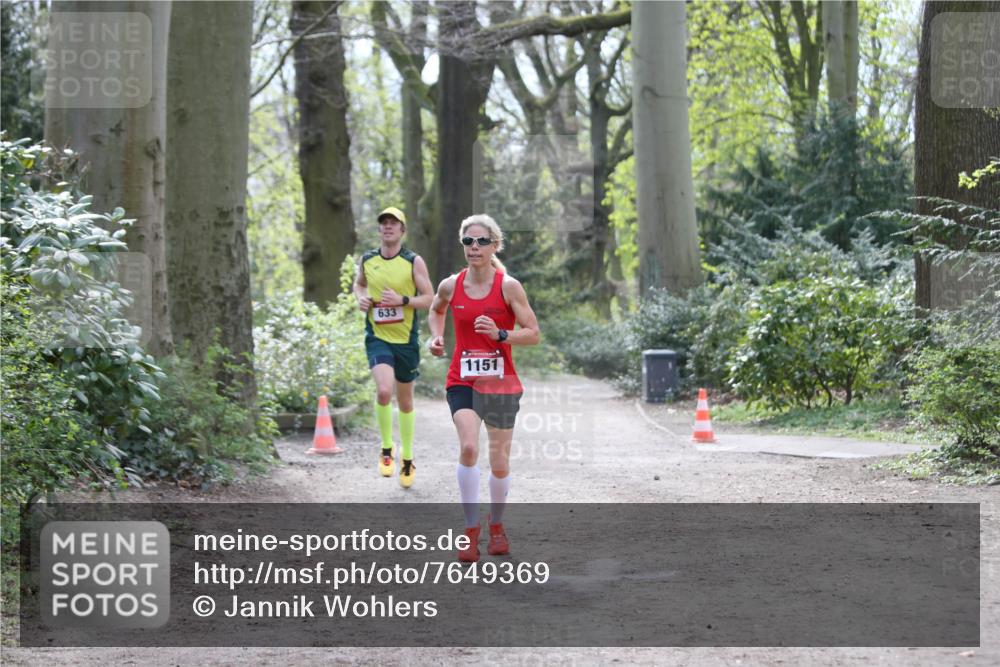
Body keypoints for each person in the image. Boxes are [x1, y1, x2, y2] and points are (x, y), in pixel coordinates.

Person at [428, 214, 540, 562]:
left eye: (481, 241)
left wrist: (501, 334)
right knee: (468, 447)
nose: (474, 247)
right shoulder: (451, 284)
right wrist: (435, 336)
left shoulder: (509, 286)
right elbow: (436, 309)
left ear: (495, 245)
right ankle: (470, 529)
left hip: (501, 383)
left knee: (499, 460)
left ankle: (497, 526)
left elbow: (533, 333)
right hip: (462, 379)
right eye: (468, 241)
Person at [354, 206, 434, 488]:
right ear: (379, 230)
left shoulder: (413, 262)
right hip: (378, 336)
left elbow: (429, 299)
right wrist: (361, 299)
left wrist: (402, 301)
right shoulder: (367, 259)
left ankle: (408, 457)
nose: (388, 227)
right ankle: (387, 449)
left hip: (406, 342)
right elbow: (359, 285)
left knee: (407, 401)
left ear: (402, 231)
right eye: (384, 223)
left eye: (394, 223)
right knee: (384, 391)